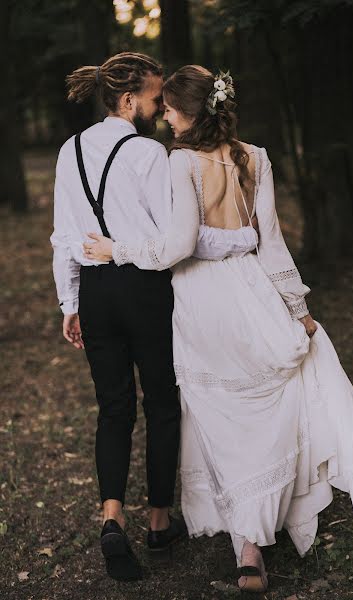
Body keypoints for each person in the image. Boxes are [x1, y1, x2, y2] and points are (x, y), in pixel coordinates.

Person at [83, 65, 353, 593]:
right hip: (253, 294)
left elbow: (176, 247)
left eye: (169, 108)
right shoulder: (255, 157)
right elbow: (270, 243)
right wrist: (297, 310)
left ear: (188, 111)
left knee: (223, 419)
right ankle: (251, 546)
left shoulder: (180, 162)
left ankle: (248, 547)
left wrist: (115, 249)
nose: (163, 114)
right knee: (261, 408)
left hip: (203, 301)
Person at [50, 53, 256, 582]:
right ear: (127, 100)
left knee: (113, 407)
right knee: (163, 402)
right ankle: (159, 522)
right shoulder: (149, 153)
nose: (159, 105)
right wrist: (244, 240)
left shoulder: (68, 151)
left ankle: (112, 517)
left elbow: (64, 238)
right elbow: (177, 241)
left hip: (95, 292)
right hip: (145, 290)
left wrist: (69, 303)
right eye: (154, 96)